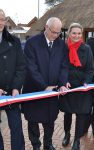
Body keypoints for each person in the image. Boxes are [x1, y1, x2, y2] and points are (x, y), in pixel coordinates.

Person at [22, 17, 69, 150]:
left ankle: (47, 144)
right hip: (34, 89)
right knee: (33, 120)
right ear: (46, 28)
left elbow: (64, 66)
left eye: (58, 33)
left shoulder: (61, 45)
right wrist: (44, 86)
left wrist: (62, 83)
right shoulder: (32, 43)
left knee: (50, 119)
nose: (55, 35)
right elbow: (31, 67)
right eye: (53, 32)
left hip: (53, 91)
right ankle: (36, 145)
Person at [59, 23, 94, 150]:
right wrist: (64, 80)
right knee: (67, 113)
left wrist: (86, 81)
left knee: (81, 114)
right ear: (69, 33)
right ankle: (67, 134)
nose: (76, 36)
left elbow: (90, 69)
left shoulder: (87, 49)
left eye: (79, 33)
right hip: (68, 86)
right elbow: (60, 67)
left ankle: (77, 140)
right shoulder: (63, 48)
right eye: (74, 33)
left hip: (81, 86)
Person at [0, 9, 25, 150]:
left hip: (12, 93)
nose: (0, 22)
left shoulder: (14, 41)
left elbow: (21, 66)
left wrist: (16, 87)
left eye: (2, 19)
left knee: (16, 126)